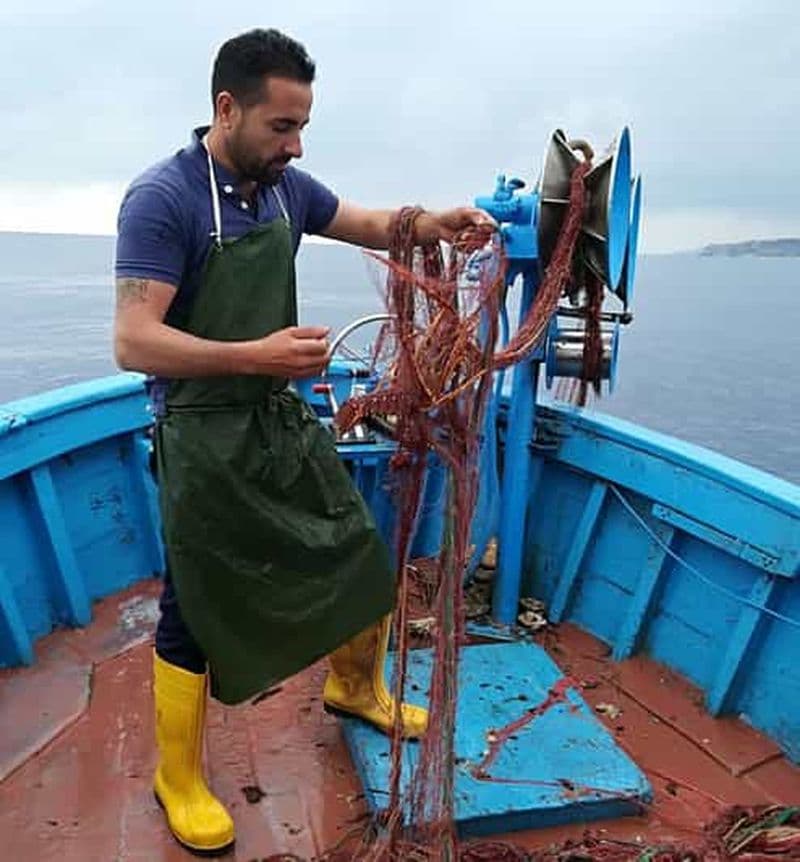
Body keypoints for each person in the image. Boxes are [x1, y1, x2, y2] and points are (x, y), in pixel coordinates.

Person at [114, 27, 491, 855]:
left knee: (356, 550)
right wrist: (255, 356)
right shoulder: (165, 199)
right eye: (282, 126)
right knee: (194, 608)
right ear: (227, 108)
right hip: (201, 432)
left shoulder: (282, 188)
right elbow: (134, 340)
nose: (295, 143)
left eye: (303, 127)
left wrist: (435, 221)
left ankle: (355, 687)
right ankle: (178, 776)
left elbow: (365, 220)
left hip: (277, 421)